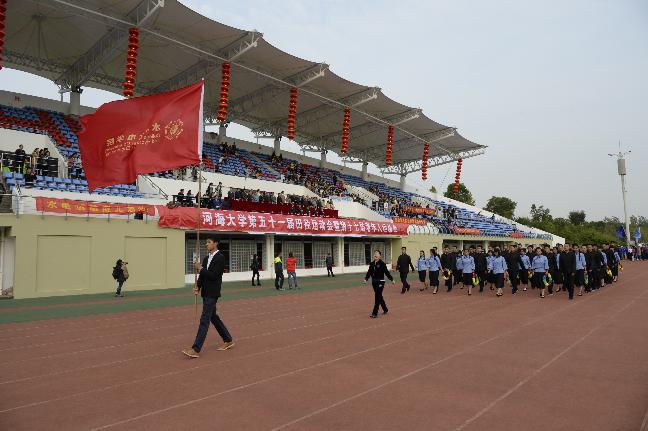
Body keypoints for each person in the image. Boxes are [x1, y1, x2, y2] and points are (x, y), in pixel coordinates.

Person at [183, 237, 234, 358]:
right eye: (206, 242)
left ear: (215, 243)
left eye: (209, 242)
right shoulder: (206, 258)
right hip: (205, 292)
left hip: (213, 293)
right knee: (213, 317)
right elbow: (202, 276)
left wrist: (200, 268)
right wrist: (198, 287)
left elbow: (213, 276)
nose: (206, 244)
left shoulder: (220, 258)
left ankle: (196, 349)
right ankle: (228, 339)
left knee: (204, 319)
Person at [364, 250, 395, 318]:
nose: (375, 255)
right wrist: (366, 278)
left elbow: (387, 272)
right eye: (375, 253)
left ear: (380, 256)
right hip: (374, 282)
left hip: (381, 282)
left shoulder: (382, 264)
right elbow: (369, 272)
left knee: (377, 296)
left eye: (377, 254)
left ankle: (374, 313)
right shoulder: (372, 263)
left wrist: (392, 279)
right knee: (379, 296)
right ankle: (385, 309)